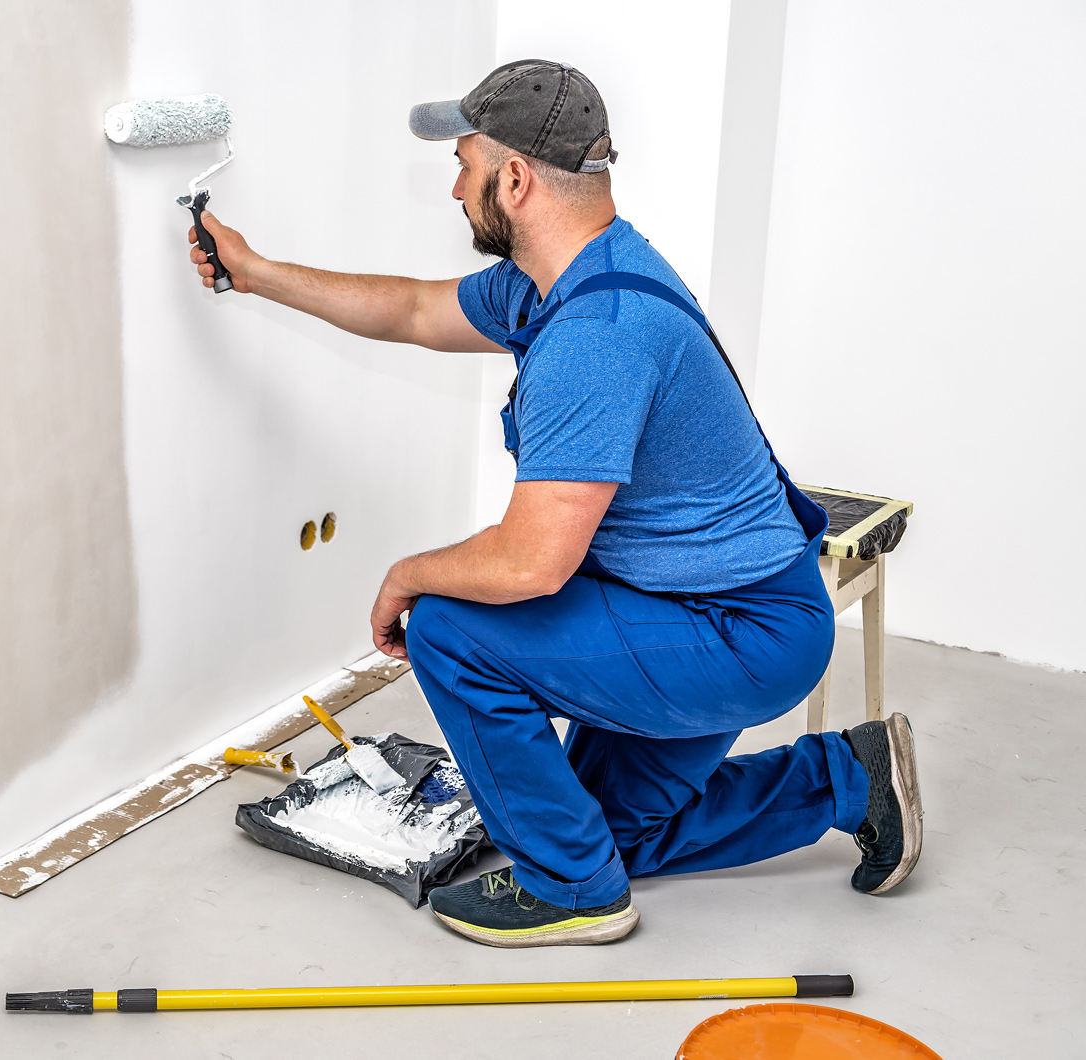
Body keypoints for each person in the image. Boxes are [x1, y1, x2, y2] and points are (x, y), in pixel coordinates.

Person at [186, 60, 923, 948]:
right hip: (701, 605)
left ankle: (575, 896)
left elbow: (532, 565)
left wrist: (403, 575)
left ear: (516, 179)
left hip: (736, 633)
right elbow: (415, 311)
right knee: (607, 832)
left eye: (462, 165)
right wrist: (255, 271)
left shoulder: (594, 339)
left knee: (450, 626)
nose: (455, 189)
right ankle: (848, 778)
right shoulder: (570, 277)